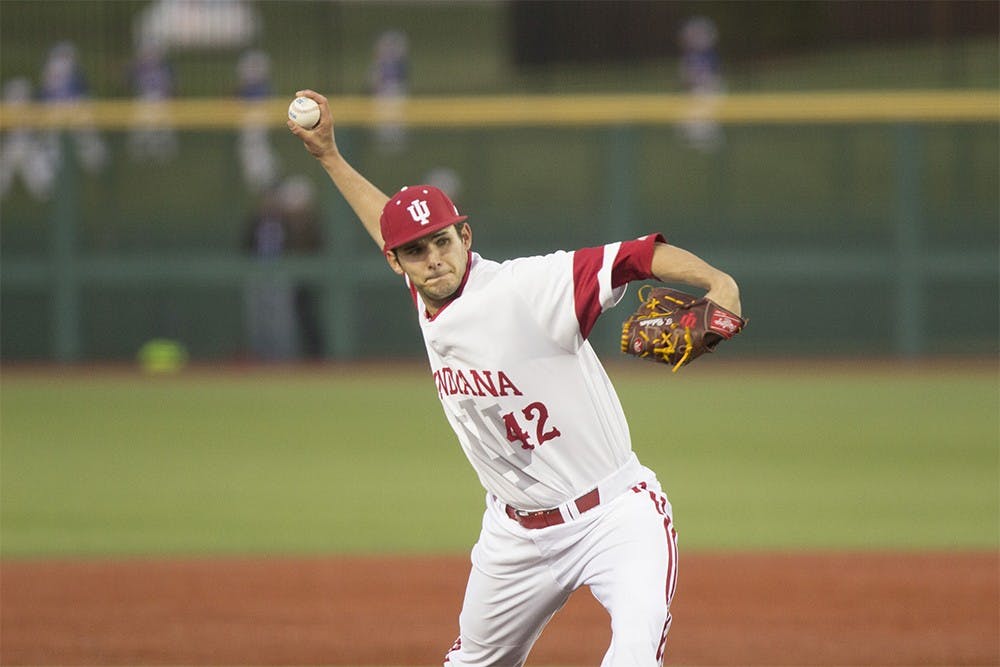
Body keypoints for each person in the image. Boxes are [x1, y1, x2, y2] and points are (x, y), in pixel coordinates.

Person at [288, 90, 741, 666]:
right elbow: (387, 222)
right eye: (416, 251)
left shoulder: (527, 289)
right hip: (514, 535)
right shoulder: (428, 291)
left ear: (466, 238)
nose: (434, 259)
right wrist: (328, 155)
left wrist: (718, 283)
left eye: (443, 242)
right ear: (395, 262)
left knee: (632, 655)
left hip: (615, 517)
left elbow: (635, 257)